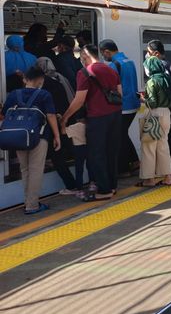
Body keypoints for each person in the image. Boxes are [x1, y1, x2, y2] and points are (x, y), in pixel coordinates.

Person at [61, 44, 122, 201]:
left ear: (85, 56)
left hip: (97, 117)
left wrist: (66, 116)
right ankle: (113, 186)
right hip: (115, 115)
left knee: (96, 154)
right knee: (111, 152)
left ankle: (104, 190)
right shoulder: (111, 69)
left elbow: (79, 100)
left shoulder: (84, 72)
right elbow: (119, 93)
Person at [2, 66, 61, 214]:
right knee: (36, 170)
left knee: (25, 169)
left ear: (24, 79)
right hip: (39, 137)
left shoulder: (14, 94)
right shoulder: (44, 95)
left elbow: (4, 113)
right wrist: (57, 136)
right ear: (41, 79)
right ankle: (32, 205)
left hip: (18, 136)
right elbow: (51, 116)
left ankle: (29, 201)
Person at [36, 57, 79, 195]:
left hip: (54, 123)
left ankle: (71, 185)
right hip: (66, 120)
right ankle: (89, 181)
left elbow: (49, 110)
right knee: (74, 150)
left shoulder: (42, 84)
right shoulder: (60, 78)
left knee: (57, 156)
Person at [99, 39, 140, 176]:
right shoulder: (129, 61)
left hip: (123, 106)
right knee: (123, 135)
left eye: (103, 54)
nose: (103, 57)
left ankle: (123, 169)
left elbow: (110, 87)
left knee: (119, 137)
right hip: (133, 104)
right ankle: (134, 162)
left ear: (107, 51)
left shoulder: (113, 65)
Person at [139, 56, 171, 186]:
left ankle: (150, 179)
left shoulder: (152, 81)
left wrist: (143, 99)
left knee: (148, 147)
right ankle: (168, 177)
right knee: (163, 146)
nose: (145, 70)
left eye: (146, 67)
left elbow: (152, 103)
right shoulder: (167, 79)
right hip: (166, 113)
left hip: (155, 115)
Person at [146, 40, 171, 166]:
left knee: (162, 136)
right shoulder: (168, 64)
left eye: (148, 52)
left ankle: (165, 164)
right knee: (169, 134)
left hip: (165, 106)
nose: (147, 55)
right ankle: (169, 161)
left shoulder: (159, 66)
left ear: (155, 53)